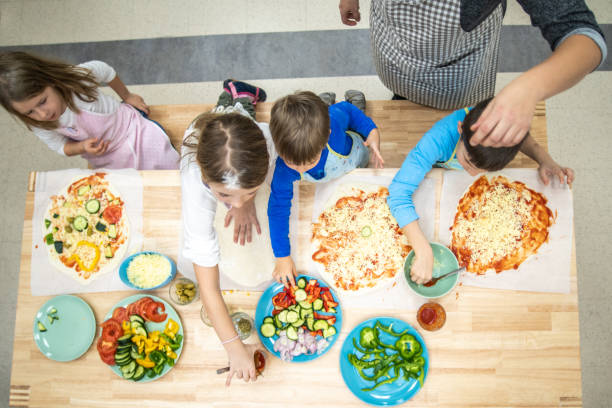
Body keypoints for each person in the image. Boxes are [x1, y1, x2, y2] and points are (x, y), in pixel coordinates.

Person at [338, 0, 606, 147]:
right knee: (403, 95)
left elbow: (585, 37)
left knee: (463, 117)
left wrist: (528, 89)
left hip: (459, 74)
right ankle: (403, 95)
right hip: (394, 51)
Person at [387, 97, 574, 285]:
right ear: (460, 130)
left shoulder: (508, 122)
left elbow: (522, 137)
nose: (473, 174)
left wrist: (544, 159)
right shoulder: (438, 139)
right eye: (468, 161)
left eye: (484, 170)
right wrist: (423, 250)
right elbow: (398, 192)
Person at [181, 97, 272, 385]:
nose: (234, 204)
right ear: (207, 180)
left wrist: (245, 202)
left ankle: (238, 101)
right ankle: (228, 100)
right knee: (217, 116)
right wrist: (233, 347)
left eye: (250, 190)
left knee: (240, 110)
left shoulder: (266, 140)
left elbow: (244, 187)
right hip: (197, 141)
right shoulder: (195, 184)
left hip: (247, 132)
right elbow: (207, 285)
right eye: (224, 196)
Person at [267, 91, 384, 287]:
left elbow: (348, 111)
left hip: (355, 155)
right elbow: (277, 209)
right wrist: (282, 256)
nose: (300, 169)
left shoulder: (334, 124)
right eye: (292, 163)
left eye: (308, 162)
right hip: (331, 171)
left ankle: (329, 104)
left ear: (326, 135)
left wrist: (372, 132)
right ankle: (323, 103)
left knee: (345, 113)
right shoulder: (284, 170)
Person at [0, 51, 179, 169]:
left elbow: (106, 71)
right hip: (105, 156)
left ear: (51, 81)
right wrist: (80, 147)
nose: (43, 115)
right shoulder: (38, 124)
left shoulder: (77, 79)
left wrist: (127, 95)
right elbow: (59, 146)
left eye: (42, 102)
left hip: (131, 129)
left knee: (168, 163)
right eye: (29, 112)